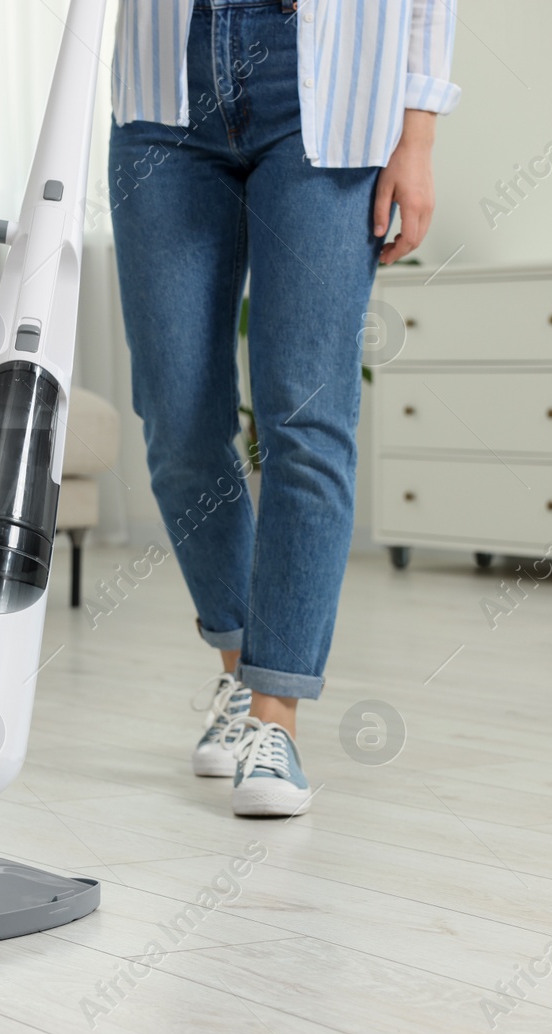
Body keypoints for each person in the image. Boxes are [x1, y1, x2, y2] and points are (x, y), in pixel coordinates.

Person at [108, 0, 459, 816]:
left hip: (331, 90)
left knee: (304, 415)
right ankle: (237, 670)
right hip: (167, 84)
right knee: (177, 417)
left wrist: (420, 134)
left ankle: (276, 716)